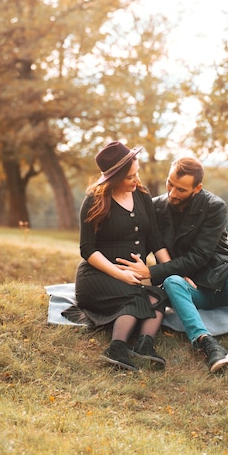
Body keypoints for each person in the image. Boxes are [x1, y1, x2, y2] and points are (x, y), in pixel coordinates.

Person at [116, 157, 228, 374]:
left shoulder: (214, 207)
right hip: (189, 290)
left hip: (221, 282)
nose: (172, 193)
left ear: (197, 188)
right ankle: (207, 345)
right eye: (169, 184)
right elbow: (145, 242)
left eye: (181, 189)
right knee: (172, 281)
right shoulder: (156, 207)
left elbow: (199, 256)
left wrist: (153, 272)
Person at [74, 141, 171, 372]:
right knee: (134, 295)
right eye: (130, 177)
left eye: (137, 174)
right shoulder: (94, 201)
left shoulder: (142, 196)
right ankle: (116, 349)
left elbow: (155, 238)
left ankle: (144, 346)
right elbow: (87, 249)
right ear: (114, 178)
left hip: (130, 280)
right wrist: (120, 274)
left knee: (158, 296)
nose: (136, 181)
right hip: (97, 276)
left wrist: (171, 270)